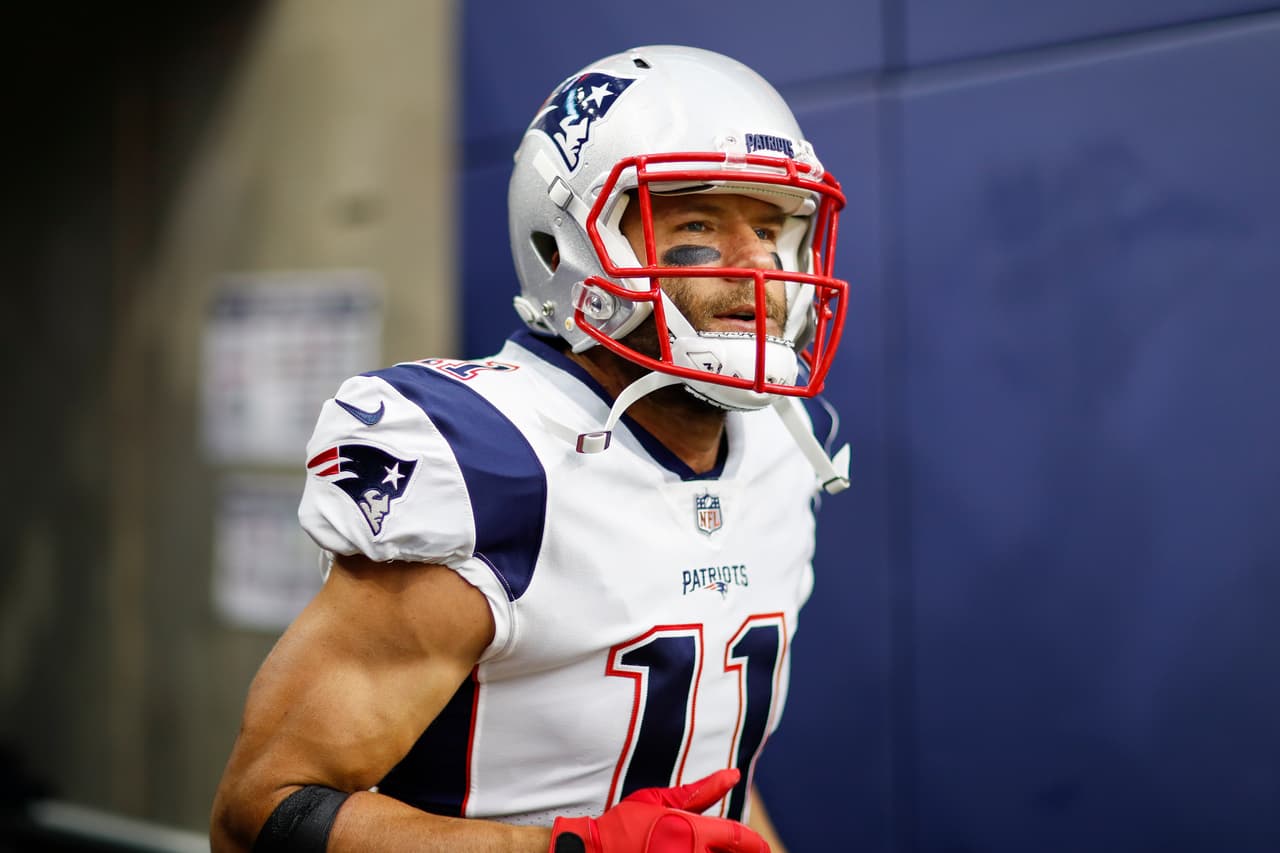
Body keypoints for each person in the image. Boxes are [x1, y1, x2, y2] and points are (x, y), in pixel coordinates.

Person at [211, 44, 851, 853]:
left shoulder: (777, 457)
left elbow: (697, 767)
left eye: (771, 228)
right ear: (567, 244)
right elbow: (259, 812)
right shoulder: (495, 464)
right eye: (698, 224)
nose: (760, 264)